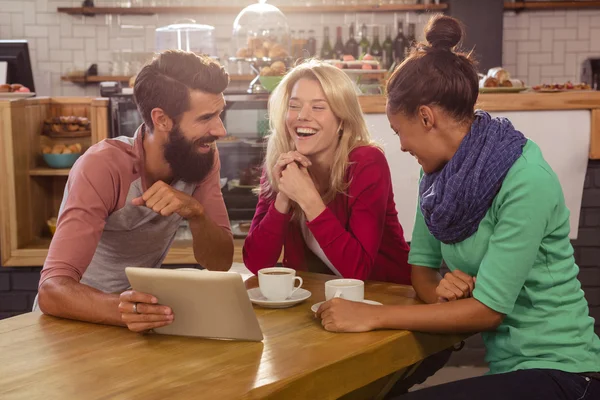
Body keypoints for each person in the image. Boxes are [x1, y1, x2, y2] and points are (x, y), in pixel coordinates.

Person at [317, 15, 600, 400]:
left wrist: (372, 315)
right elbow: (421, 270)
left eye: (400, 132)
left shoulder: (525, 177)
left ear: (426, 117)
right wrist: (444, 294)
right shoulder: (437, 176)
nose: (401, 146)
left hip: (567, 373)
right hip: (511, 369)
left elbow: (488, 311)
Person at [36, 50, 234, 334]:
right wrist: (127, 310)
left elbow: (219, 263)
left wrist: (197, 213)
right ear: (162, 119)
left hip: (135, 320)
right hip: (71, 321)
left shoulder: (202, 155)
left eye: (219, 114)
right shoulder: (102, 166)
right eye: (206, 118)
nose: (220, 130)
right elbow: (52, 291)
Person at [242, 59, 411, 285]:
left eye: (318, 107)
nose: (302, 115)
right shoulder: (282, 163)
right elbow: (256, 263)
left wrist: (308, 199)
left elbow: (358, 272)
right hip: (320, 301)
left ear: (341, 120)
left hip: (387, 297)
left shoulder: (366, 162)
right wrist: (283, 197)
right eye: (294, 106)